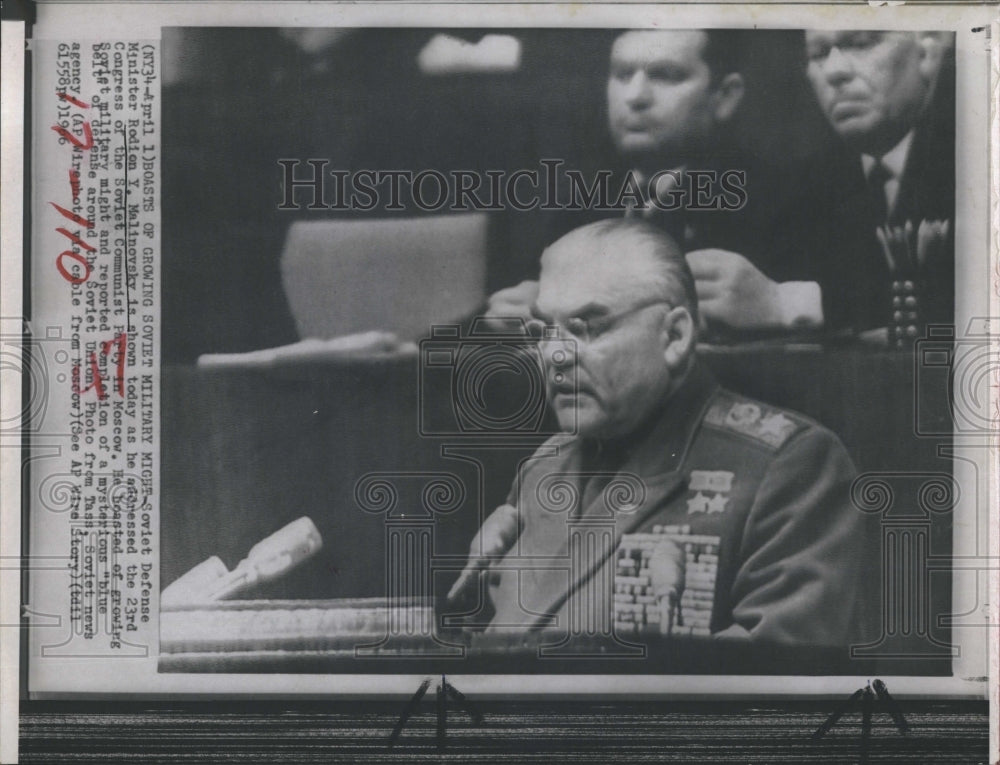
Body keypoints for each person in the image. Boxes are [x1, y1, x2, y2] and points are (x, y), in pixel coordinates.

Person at [451, 219, 877, 647]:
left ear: (674, 336)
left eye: (587, 327)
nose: (555, 354)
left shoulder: (789, 469)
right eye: (544, 330)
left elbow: (774, 683)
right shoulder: (545, 468)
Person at [489, 29, 831, 339]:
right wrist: (517, 314)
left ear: (724, 96)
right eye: (622, 75)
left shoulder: (778, 196)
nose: (635, 96)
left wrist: (777, 305)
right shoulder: (585, 206)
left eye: (666, 76)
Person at [801, 30, 954, 333]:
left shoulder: (980, 160)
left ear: (928, 54)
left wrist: (797, 304)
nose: (834, 71)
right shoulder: (810, 184)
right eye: (818, 54)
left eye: (861, 44)